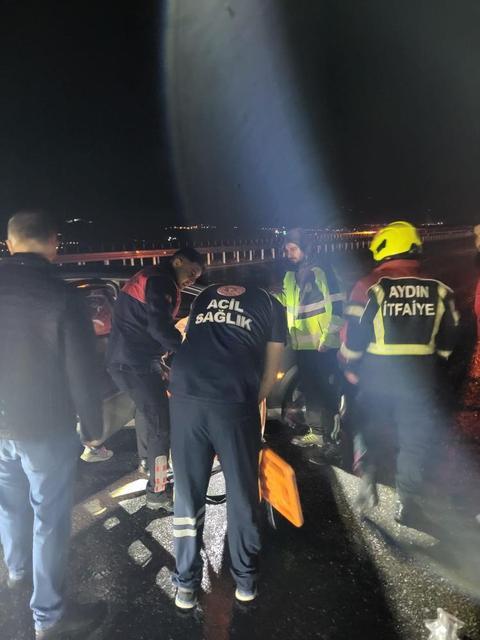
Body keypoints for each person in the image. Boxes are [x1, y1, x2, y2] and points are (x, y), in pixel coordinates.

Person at [0, 211, 105, 639]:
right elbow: (82, 371)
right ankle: (49, 616)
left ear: (9, 244)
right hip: (44, 426)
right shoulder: (62, 297)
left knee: (9, 505)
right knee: (50, 518)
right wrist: (93, 428)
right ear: (53, 243)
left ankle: (17, 572)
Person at [168, 283, 286, 609]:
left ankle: (186, 586)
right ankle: (245, 582)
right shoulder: (273, 305)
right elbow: (271, 372)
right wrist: (246, 406)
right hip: (233, 397)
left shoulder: (204, 295)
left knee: (188, 493)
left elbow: (189, 338)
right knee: (241, 492)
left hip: (185, 394)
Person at [340, 221, 459, 526]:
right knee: (413, 440)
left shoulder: (369, 286)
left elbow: (354, 335)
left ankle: (368, 477)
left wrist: (349, 366)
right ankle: (407, 501)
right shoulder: (440, 289)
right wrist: (436, 365)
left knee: (366, 426)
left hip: (376, 376)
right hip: (420, 378)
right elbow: (449, 339)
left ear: (385, 249)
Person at [106, 247, 204, 510]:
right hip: (133, 363)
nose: (192, 279)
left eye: (197, 277)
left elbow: (148, 324)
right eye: (192, 272)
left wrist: (159, 358)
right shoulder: (162, 281)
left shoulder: (153, 276)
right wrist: (189, 352)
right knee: (161, 426)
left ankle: (147, 462)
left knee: (148, 414)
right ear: (178, 261)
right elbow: (159, 327)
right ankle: (158, 491)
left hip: (131, 360)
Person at [275, 228, 345, 448]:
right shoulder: (290, 275)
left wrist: (328, 338)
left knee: (325, 391)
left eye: (293, 249)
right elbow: (284, 300)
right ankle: (317, 433)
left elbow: (338, 305)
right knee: (311, 391)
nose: (288, 254)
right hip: (301, 345)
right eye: (286, 250)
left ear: (306, 248)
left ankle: (332, 436)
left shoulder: (322, 271)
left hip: (322, 346)